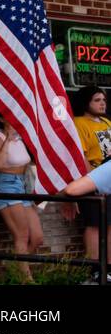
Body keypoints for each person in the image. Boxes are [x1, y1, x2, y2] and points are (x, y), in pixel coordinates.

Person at [0, 121, 43, 280]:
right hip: (6, 186)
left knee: (37, 237)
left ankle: (16, 267)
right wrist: (8, 139)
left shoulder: (21, 139)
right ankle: (26, 280)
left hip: (22, 185)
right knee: (22, 235)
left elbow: (27, 163)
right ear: (3, 119)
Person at [71, 86, 111, 275]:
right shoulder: (79, 123)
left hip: (108, 179)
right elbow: (81, 157)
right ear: (86, 102)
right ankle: (95, 269)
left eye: (103, 99)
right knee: (94, 225)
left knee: (110, 226)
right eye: (97, 100)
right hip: (93, 180)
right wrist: (93, 181)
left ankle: (108, 268)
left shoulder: (106, 122)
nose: (102, 103)